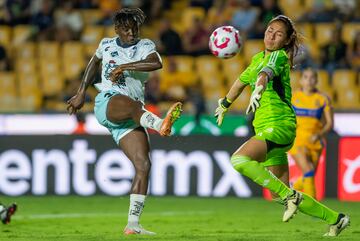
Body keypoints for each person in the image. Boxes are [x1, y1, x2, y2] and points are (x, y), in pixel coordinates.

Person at [215, 15, 349, 236]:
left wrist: (258, 88)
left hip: (279, 126)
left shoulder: (278, 57)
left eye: (278, 34)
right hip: (269, 131)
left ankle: (292, 197)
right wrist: (225, 104)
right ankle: (337, 219)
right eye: (270, 30)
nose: (271, 35)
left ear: (286, 41)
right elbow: (240, 82)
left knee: (238, 160)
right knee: (280, 193)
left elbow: (264, 75)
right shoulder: (258, 57)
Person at [66, 8, 182, 235]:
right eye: (126, 28)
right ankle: (160, 125)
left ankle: (133, 224)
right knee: (128, 103)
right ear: (117, 29)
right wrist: (81, 92)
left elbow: (156, 63)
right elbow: (93, 63)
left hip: (131, 115)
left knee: (143, 165)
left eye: (134, 27)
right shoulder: (106, 44)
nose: (131, 32)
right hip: (108, 103)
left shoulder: (145, 46)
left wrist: (124, 66)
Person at [289, 68, 333, 198]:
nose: (309, 80)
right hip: (297, 140)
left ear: (317, 81)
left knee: (309, 175)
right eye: (306, 77)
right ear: (301, 81)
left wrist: (319, 135)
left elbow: (330, 124)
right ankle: (315, 208)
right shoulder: (293, 97)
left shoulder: (322, 99)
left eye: (312, 77)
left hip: (315, 141)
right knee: (308, 171)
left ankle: (292, 188)